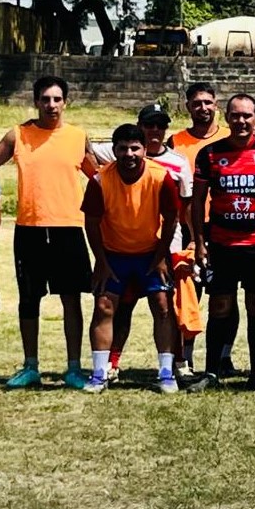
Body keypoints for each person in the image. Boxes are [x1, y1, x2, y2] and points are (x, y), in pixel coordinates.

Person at [0, 75, 98, 389]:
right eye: (45, 99)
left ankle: (74, 368)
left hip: (69, 227)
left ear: (66, 102)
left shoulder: (78, 137)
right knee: (29, 299)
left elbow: (99, 177)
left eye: (57, 99)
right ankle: (30, 366)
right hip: (30, 228)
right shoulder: (18, 135)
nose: (51, 105)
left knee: (71, 299)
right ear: (35, 101)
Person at [190, 94, 255, 392]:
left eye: (247, 116)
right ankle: (211, 372)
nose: (241, 121)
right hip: (222, 245)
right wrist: (199, 241)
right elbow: (197, 202)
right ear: (227, 118)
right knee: (220, 307)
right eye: (235, 115)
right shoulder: (210, 153)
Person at [81, 124, 180, 394]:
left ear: (145, 149)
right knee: (104, 306)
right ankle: (99, 374)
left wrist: (161, 257)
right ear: (114, 150)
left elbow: (171, 219)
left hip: (150, 253)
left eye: (135, 148)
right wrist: (101, 262)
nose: (129, 154)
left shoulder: (161, 177)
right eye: (123, 148)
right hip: (114, 254)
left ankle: (166, 373)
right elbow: (91, 223)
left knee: (162, 306)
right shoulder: (100, 180)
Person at [103, 104, 199, 381]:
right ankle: (112, 362)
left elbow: (186, 207)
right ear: (140, 127)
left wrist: (192, 241)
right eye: (149, 124)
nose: (155, 130)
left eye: (160, 125)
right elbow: (85, 151)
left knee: (169, 306)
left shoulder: (178, 162)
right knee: (123, 305)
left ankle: (178, 362)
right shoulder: (123, 154)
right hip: (129, 246)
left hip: (168, 246)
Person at [167, 82, 226, 174]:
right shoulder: (175, 141)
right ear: (188, 106)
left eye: (208, 103)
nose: (203, 108)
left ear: (215, 105)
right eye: (197, 104)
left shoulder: (229, 136)